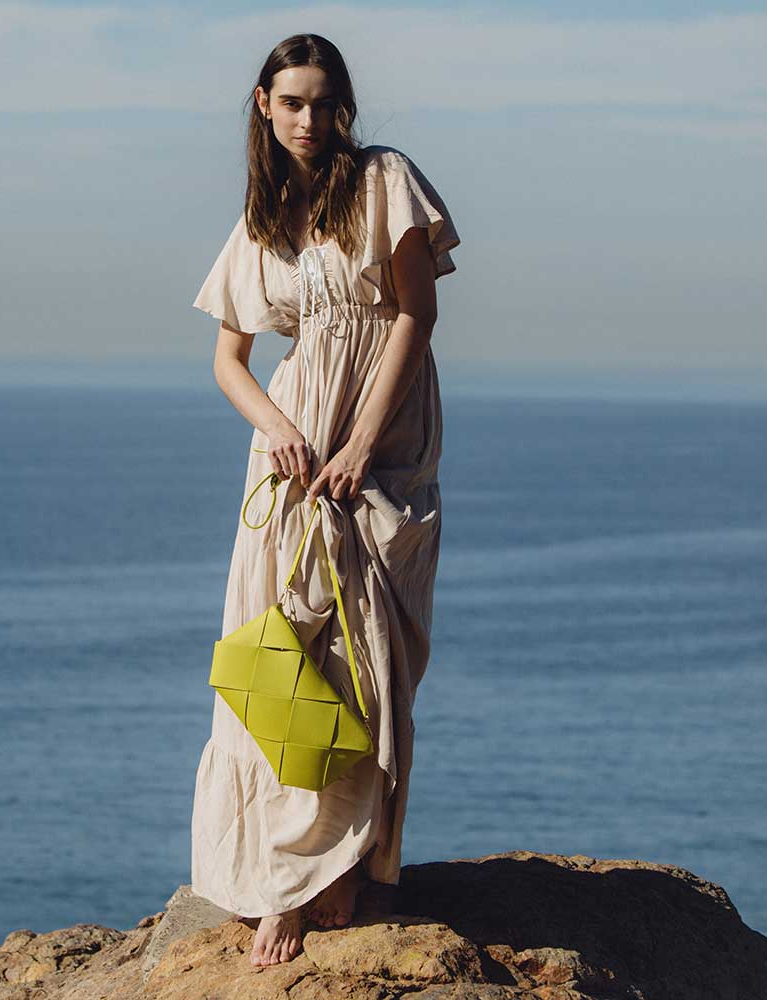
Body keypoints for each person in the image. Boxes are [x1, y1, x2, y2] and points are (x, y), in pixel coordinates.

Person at [190, 33, 460, 968]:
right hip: (294, 451)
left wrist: (357, 444)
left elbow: (415, 317)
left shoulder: (385, 179)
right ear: (263, 105)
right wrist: (281, 428)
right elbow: (229, 362)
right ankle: (283, 878)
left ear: (341, 105)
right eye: (291, 102)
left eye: (323, 102)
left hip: (384, 443)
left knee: (365, 654)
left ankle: (337, 867)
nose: (309, 120)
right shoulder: (263, 218)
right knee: (278, 651)